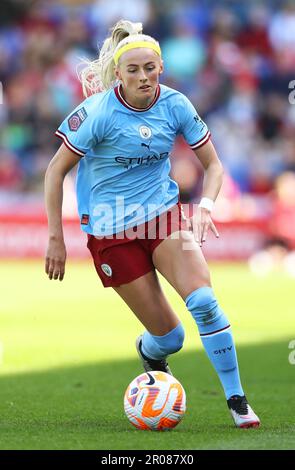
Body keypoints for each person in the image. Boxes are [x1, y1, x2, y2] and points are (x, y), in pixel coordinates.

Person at [44, 20, 260, 429]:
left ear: (161, 67)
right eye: (133, 70)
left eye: (150, 68)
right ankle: (152, 352)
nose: (143, 77)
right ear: (119, 74)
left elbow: (213, 166)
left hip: (161, 217)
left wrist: (206, 206)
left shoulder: (176, 104)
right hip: (110, 232)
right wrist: (56, 237)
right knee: (171, 338)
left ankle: (237, 401)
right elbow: (55, 172)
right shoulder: (96, 113)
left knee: (204, 303)